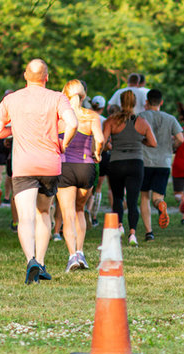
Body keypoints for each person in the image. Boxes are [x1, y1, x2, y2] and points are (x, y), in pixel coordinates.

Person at [0, 59, 79, 284]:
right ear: (46, 77)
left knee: (25, 216)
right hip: (50, 164)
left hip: (23, 166)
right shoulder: (58, 98)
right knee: (44, 213)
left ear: (24, 75)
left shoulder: (11, 99)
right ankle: (41, 261)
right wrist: (64, 144)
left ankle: (31, 261)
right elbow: (73, 123)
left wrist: (14, 129)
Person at [57, 80, 104, 272]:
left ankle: (72, 256)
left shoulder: (59, 116)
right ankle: (81, 251)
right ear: (83, 96)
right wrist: (98, 153)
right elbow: (99, 139)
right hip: (86, 167)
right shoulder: (92, 116)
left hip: (65, 166)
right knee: (79, 210)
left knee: (67, 214)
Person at [103, 90, 157, 245]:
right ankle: (132, 233)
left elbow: (103, 142)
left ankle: (119, 225)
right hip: (135, 163)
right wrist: (140, 142)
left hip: (116, 163)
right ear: (134, 103)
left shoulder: (111, 121)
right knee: (133, 201)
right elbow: (153, 143)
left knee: (118, 198)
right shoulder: (141, 122)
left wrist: (110, 147)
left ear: (121, 102)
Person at [138, 89, 183, 240]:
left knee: (144, 197)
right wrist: (172, 146)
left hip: (144, 161)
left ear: (147, 102)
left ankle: (149, 232)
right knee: (157, 197)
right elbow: (181, 138)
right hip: (164, 162)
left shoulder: (141, 116)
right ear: (161, 102)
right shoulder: (170, 118)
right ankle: (161, 205)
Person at [86, 95, 109, 227]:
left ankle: (84, 210)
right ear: (103, 107)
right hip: (101, 155)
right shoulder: (104, 121)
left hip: (85, 154)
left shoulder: (86, 118)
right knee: (98, 188)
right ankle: (93, 215)